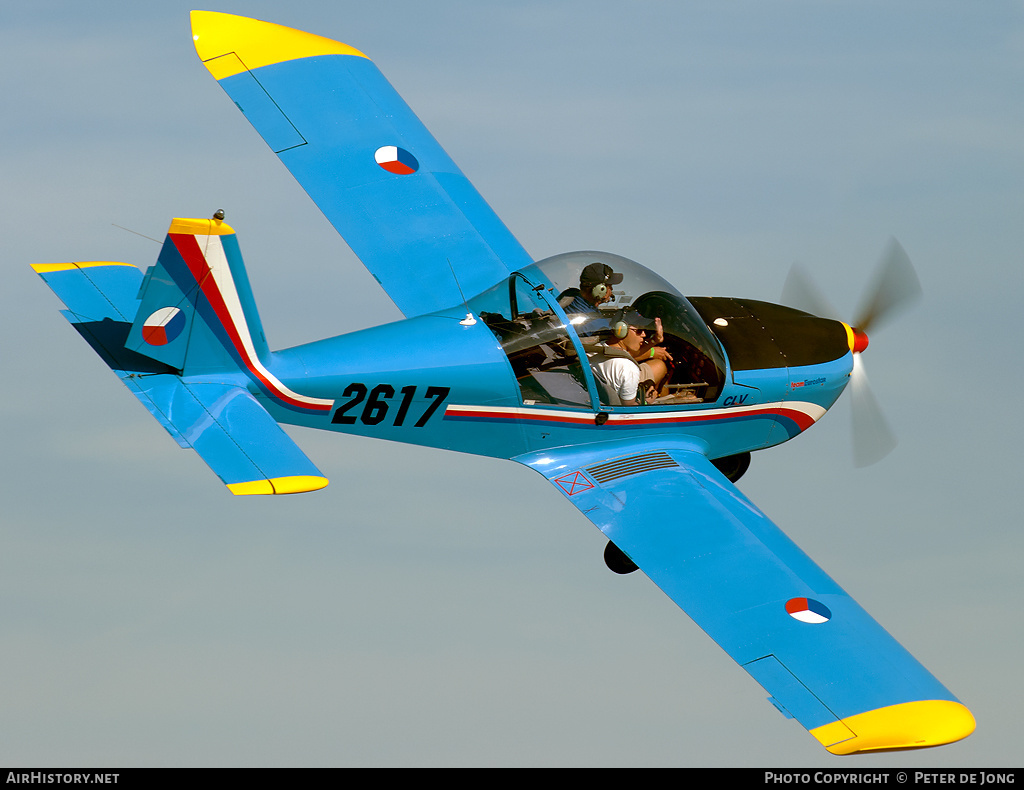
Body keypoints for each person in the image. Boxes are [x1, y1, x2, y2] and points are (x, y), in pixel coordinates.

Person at [588, 311, 670, 406]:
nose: (644, 335)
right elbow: (630, 409)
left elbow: (627, 353)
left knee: (659, 365)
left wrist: (655, 340)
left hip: (604, 387)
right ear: (621, 331)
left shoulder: (600, 346)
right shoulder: (629, 369)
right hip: (622, 402)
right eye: (639, 331)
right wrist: (647, 401)